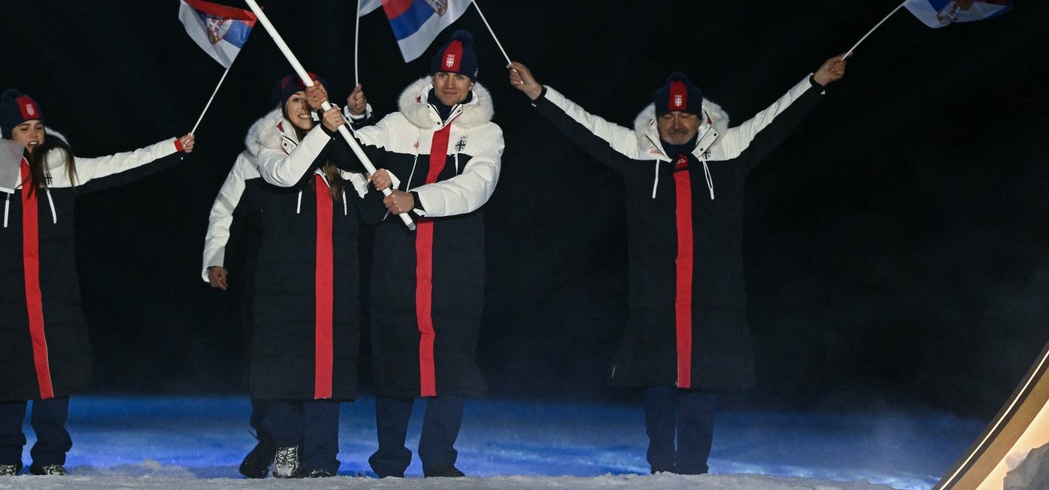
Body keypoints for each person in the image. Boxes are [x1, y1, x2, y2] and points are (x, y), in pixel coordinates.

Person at [506, 54, 848, 475]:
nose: (677, 124)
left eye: (685, 115)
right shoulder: (635, 149)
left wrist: (817, 81)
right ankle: (661, 467)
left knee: (703, 382)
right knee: (659, 382)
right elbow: (582, 124)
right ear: (657, 119)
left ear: (701, 118)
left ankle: (693, 468)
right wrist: (537, 93)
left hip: (713, 295)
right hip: (656, 295)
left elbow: (777, 117)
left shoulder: (730, 148)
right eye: (668, 116)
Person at [0, 89, 195, 477]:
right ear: (8, 132)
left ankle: (50, 456)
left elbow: (120, 163)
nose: (33, 135)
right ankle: (7, 457)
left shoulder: (62, 165)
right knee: (9, 375)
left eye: (38, 126)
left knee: (57, 373)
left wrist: (173, 148)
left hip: (55, 293)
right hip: (7, 294)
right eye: (24, 128)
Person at [335, 29, 504, 478]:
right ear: (431, 77)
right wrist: (354, 118)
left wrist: (415, 198)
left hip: (454, 265)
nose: (450, 83)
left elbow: (477, 186)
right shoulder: (398, 123)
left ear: (472, 83)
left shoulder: (487, 133)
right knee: (395, 356)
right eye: (442, 75)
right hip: (398, 262)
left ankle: (439, 459)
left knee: (452, 361)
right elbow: (349, 154)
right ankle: (390, 461)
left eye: (459, 76)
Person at [201, 85, 370, 479]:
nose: (306, 106)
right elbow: (226, 207)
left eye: (312, 99)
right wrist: (215, 257)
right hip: (278, 280)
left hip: (334, 279)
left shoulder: (340, 152)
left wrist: (357, 120)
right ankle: (282, 439)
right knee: (277, 368)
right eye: (297, 99)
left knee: (327, 370)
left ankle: (321, 458)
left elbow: (371, 187)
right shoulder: (263, 150)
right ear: (281, 107)